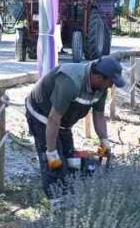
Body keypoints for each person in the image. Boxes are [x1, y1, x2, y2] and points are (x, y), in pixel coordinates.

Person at [25, 56, 124, 196]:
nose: (111, 86)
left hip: (63, 122)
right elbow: (53, 119)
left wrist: (104, 140)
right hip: (42, 115)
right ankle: (57, 204)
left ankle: (69, 194)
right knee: (54, 163)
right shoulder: (70, 82)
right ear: (98, 77)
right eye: (110, 82)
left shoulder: (101, 89)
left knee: (70, 159)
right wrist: (51, 152)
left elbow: (99, 115)